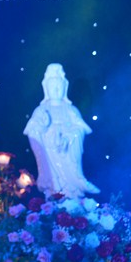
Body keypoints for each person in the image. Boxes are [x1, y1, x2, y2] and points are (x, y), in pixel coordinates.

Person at [24, 63, 100, 199]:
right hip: (50, 154)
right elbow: (32, 131)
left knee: (76, 136)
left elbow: (81, 128)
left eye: (59, 86)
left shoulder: (71, 110)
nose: (56, 89)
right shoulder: (41, 110)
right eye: (52, 86)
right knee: (53, 186)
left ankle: (78, 181)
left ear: (65, 87)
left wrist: (68, 138)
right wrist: (44, 129)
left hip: (68, 155)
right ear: (46, 88)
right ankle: (53, 189)